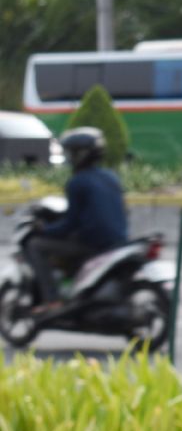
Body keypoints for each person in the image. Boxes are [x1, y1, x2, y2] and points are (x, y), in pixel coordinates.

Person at [24, 127, 128, 311]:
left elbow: (70, 224)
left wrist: (44, 229)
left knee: (36, 245)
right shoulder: (111, 177)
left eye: (72, 153)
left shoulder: (77, 182)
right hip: (118, 241)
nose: (69, 157)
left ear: (82, 155)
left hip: (93, 244)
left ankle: (51, 300)